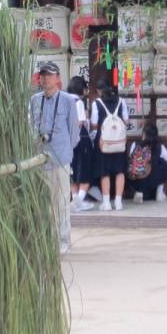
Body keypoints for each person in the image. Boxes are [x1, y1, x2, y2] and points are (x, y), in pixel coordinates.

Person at [30, 61, 77, 253]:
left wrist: (66, 152)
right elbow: (33, 125)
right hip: (41, 158)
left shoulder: (68, 100)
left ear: (58, 78)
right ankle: (49, 238)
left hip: (61, 157)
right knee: (46, 201)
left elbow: (74, 133)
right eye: (42, 75)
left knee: (62, 200)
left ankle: (64, 239)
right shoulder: (35, 100)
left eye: (49, 75)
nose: (45, 79)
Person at [94, 83, 132, 211]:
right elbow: (126, 121)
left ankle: (106, 203)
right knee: (120, 171)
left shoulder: (97, 103)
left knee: (104, 172)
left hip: (104, 143)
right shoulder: (122, 102)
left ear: (101, 91)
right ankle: (118, 201)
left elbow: (94, 123)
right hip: (119, 142)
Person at [67, 76, 99, 211]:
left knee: (72, 171)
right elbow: (80, 122)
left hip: (68, 141)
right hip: (81, 140)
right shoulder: (78, 102)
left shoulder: (65, 100)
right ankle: (78, 202)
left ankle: (75, 200)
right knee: (85, 171)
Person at [126, 121, 167, 202]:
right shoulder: (160, 147)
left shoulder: (135, 144)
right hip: (154, 182)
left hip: (136, 181)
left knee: (131, 164)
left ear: (143, 134)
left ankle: (139, 192)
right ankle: (159, 190)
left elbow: (130, 162)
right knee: (166, 164)